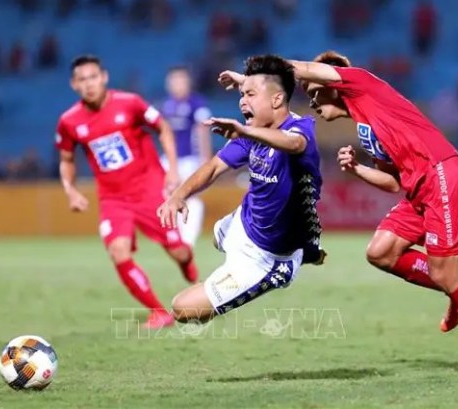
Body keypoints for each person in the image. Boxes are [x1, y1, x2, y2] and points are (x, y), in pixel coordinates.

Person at [287, 50, 458, 375]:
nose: (311, 101)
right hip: (418, 189)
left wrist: (264, 71)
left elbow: (306, 69)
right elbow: (393, 183)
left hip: (441, 174)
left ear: (333, 83)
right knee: (381, 252)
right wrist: (357, 170)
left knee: (445, 274)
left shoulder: (363, 85)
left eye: (313, 92)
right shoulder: (366, 124)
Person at [157, 55, 323, 323]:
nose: (242, 101)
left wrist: (245, 131)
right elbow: (212, 168)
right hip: (243, 222)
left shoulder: (300, 129)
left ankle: (294, 261)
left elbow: (293, 145)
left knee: (183, 310)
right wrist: (179, 195)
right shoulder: (252, 131)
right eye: (242, 93)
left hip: (267, 257)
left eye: (250, 94)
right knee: (215, 236)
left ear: (277, 100)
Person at [55, 55, 197, 329]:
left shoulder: (130, 103)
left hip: (149, 190)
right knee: (118, 251)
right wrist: (70, 190)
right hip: (113, 199)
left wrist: (172, 171)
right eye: (82, 80)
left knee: (179, 252)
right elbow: (67, 159)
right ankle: (158, 312)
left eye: (93, 77)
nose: (89, 84)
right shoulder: (69, 122)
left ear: (104, 77)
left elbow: (163, 128)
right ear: (74, 84)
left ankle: (186, 260)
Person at [160, 66, 213, 247]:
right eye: (174, 81)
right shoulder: (167, 105)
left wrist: (205, 159)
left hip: (190, 158)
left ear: (188, 82)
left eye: (181, 80)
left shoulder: (196, 104)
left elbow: (202, 131)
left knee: (190, 197)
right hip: (169, 159)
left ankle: (188, 239)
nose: (177, 84)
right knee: (166, 196)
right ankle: (174, 235)